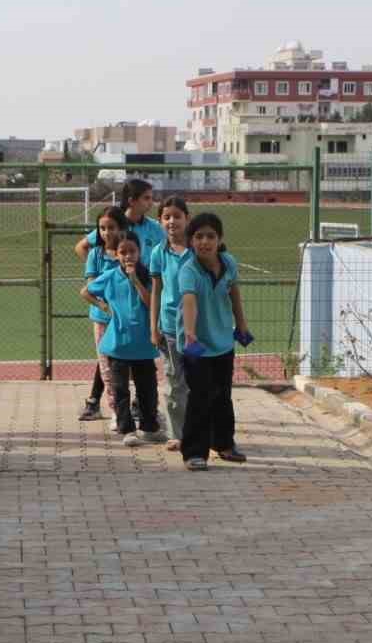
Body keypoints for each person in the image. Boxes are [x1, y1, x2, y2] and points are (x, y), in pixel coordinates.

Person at [76, 179, 164, 424]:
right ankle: (116, 410)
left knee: (133, 361)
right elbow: (84, 248)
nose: (151, 202)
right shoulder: (114, 224)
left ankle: (143, 409)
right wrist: (99, 280)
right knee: (111, 361)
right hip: (110, 312)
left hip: (139, 308)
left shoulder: (153, 228)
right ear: (132, 200)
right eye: (146, 198)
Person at [177, 212, 252, 471]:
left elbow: (234, 293)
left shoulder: (228, 262)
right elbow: (189, 301)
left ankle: (224, 445)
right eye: (198, 236)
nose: (204, 242)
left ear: (220, 239)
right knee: (199, 398)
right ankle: (194, 453)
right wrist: (190, 334)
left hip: (223, 343)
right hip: (196, 345)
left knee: (222, 397)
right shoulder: (188, 270)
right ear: (191, 241)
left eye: (210, 236)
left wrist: (241, 324)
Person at [83, 231, 165, 446]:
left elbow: (151, 303)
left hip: (144, 345)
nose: (128, 256)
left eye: (132, 251)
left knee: (147, 389)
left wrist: (136, 280)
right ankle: (126, 428)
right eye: (123, 252)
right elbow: (85, 291)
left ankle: (150, 427)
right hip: (118, 344)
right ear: (116, 254)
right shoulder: (110, 275)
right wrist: (103, 306)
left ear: (140, 252)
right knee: (120, 390)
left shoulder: (148, 276)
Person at [147, 196, 192, 451]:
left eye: (177, 215)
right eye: (166, 217)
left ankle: (200, 430)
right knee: (176, 381)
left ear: (187, 218)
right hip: (170, 329)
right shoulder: (158, 253)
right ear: (160, 221)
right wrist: (153, 327)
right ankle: (178, 433)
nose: (172, 221)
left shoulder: (198, 250)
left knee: (199, 381)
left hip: (198, 329)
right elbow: (156, 291)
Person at [78, 207, 130, 423]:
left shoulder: (127, 252)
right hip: (103, 320)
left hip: (126, 320)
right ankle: (116, 411)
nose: (107, 233)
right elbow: (90, 289)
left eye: (111, 228)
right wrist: (105, 306)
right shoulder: (95, 255)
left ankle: (134, 407)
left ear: (121, 229)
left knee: (127, 365)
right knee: (106, 367)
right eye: (102, 228)